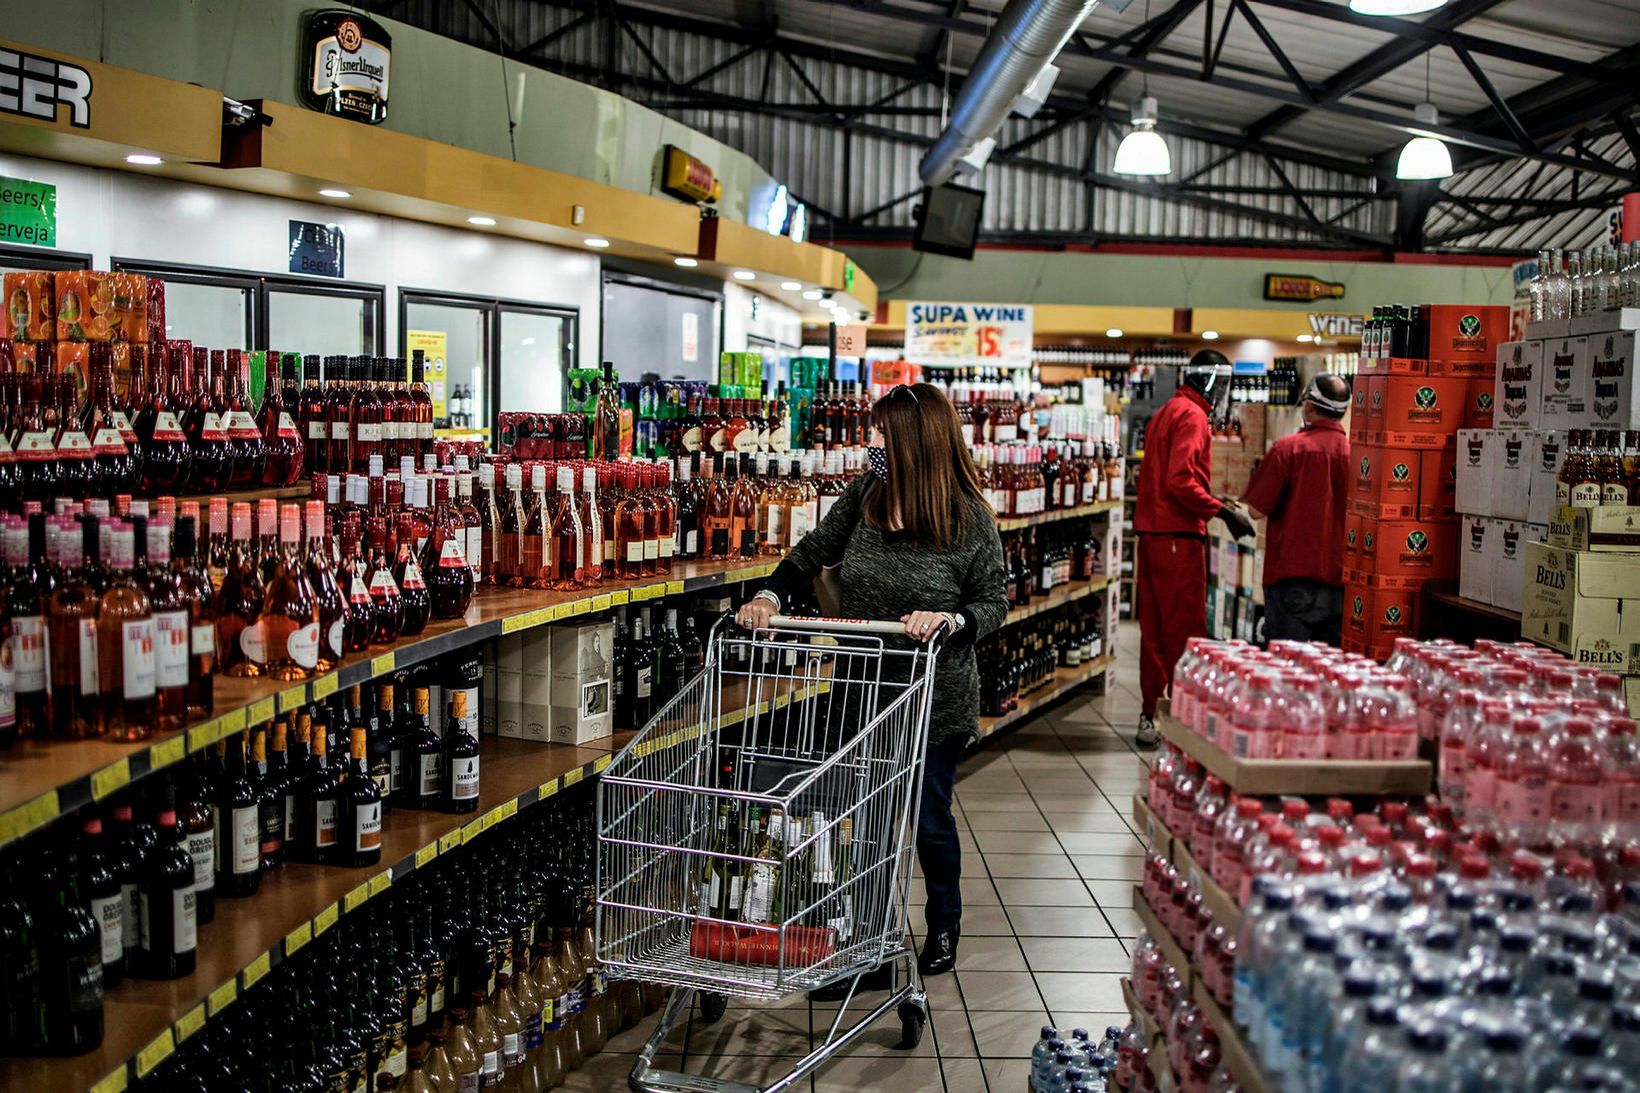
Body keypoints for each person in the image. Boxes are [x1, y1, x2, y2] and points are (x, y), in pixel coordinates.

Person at [736, 382, 1008, 980]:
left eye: (880, 433)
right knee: (871, 819)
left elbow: (994, 603)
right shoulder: (867, 495)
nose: (870, 442)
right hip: (863, 689)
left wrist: (950, 618)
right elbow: (809, 554)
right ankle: (871, 942)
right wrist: (766, 594)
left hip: (935, 696)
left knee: (926, 817)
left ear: (912, 442)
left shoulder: (969, 519)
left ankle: (943, 923)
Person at [1132, 350, 1254, 749]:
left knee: (1152, 629)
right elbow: (1181, 482)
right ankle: (1185, 716)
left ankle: (1150, 713)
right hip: (1177, 537)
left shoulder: (1168, 410)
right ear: (1211, 381)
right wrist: (1222, 512)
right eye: (1221, 384)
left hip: (1150, 534)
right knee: (1183, 630)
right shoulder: (1194, 416)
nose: (1223, 392)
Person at [1242, 373, 1353, 645]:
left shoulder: (1287, 450)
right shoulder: (1359, 455)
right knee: (1329, 676)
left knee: (1289, 676)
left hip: (1292, 583)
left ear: (1309, 406)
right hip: (1342, 586)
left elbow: (1256, 509)